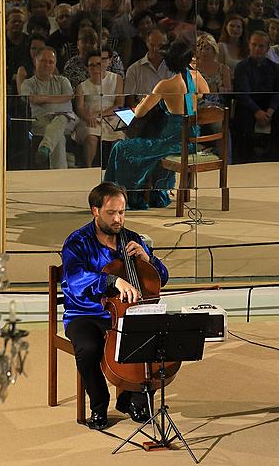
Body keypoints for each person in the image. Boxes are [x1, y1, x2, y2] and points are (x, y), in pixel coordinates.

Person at [61, 181, 169, 430]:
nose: (118, 219)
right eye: (111, 213)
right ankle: (99, 404)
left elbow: (160, 279)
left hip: (127, 313)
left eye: (122, 212)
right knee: (88, 349)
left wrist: (148, 258)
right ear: (95, 211)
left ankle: (132, 399)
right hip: (85, 313)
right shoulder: (77, 242)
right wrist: (113, 280)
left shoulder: (132, 239)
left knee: (150, 344)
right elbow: (74, 279)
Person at [104, 40, 209, 210]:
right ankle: (153, 192)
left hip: (172, 141)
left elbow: (139, 113)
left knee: (121, 147)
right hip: (191, 138)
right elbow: (205, 93)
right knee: (150, 139)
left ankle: (126, 196)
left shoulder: (165, 85)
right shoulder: (196, 76)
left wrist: (146, 100)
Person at [231, 30, 279, 163]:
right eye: (254, 45)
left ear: (268, 48)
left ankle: (277, 158)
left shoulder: (278, 69)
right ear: (249, 45)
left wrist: (271, 110)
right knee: (243, 116)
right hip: (250, 106)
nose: (257, 49)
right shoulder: (241, 67)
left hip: (270, 107)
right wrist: (256, 111)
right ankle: (245, 160)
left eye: (261, 46)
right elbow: (242, 93)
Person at [19, 47, 78, 169]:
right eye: (43, 61)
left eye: (51, 62)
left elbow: (68, 97)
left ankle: (46, 147)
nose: (47, 64)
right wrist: (57, 100)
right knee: (59, 137)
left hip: (68, 122)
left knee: (62, 117)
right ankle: (60, 169)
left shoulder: (62, 81)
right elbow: (30, 99)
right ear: (35, 61)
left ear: (55, 64)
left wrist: (43, 99)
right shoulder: (28, 83)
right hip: (40, 121)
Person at [75, 49, 124, 167]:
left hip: (111, 116)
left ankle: (114, 170)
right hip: (89, 118)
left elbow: (119, 104)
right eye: (91, 65)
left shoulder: (116, 79)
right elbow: (79, 108)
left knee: (119, 138)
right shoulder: (82, 86)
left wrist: (99, 114)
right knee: (91, 137)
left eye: (98, 64)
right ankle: (88, 168)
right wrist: (88, 117)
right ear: (87, 68)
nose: (95, 67)